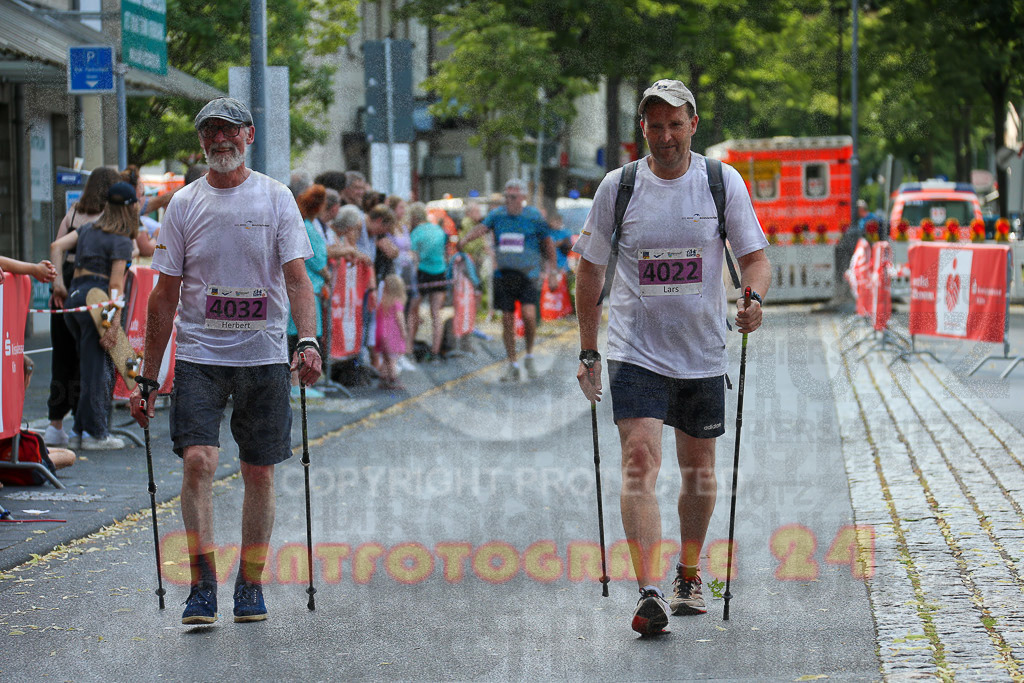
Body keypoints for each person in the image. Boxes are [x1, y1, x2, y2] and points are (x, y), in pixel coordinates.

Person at [572, 79, 771, 636]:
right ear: (643, 129)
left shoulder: (718, 181)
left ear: (693, 124)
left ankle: (688, 572)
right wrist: (589, 349)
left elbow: (754, 259)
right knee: (639, 460)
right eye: (654, 125)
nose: (664, 136)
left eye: (674, 124)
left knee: (698, 471)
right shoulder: (619, 186)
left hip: (701, 350)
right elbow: (588, 269)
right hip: (634, 350)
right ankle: (650, 591)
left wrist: (752, 299)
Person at [128, 96, 322, 626]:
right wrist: (147, 376)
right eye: (210, 131)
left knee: (258, 471)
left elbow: (298, 280)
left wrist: (307, 340)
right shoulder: (185, 205)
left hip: (262, 358)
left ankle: (251, 583)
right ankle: (202, 584)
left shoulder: (277, 198)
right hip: (200, 356)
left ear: (249, 136)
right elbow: (163, 298)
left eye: (229, 131)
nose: (219, 140)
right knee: (198, 462)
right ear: (201, 141)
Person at [50, 181, 140, 451]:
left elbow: (56, 246)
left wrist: (58, 284)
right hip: (97, 303)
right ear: (130, 207)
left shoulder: (88, 229)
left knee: (86, 367)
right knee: (98, 371)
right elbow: (115, 286)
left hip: (74, 302)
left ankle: (79, 430)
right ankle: (94, 434)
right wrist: (114, 324)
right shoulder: (122, 239)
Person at [460, 178, 558, 382]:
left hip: (528, 274)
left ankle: (529, 354)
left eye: (513, 197)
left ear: (522, 197)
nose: (509, 200)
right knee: (507, 320)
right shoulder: (497, 214)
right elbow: (482, 228)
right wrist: (464, 240)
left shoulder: (533, 216)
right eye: (507, 197)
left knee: (529, 315)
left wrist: (553, 271)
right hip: (503, 275)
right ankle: (512, 363)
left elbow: (548, 243)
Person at [288, 184, 330, 399]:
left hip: (309, 288)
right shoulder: (306, 227)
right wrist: (328, 275)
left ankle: (300, 383)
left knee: (303, 337)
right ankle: (297, 384)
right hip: (307, 289)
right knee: (301, 337)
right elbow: (316, 259)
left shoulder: (307, 225)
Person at [408, 202, 448, 361]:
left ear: (414, 217)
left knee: (412, 311)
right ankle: (435, 351)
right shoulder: (438, 229)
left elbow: (412, 255)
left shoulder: (417, 232)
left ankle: (409, 349)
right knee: (436, 313)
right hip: (440, 272)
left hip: (422, 272)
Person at [374, 274, 408, 390]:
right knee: (393, 359)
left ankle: (383, 378)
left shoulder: (382, 303)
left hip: (380, 334)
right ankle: (393, 380)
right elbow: (399, 318)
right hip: (392, 335)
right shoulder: (397, 302)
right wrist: (403, 331)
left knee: (385, 358)